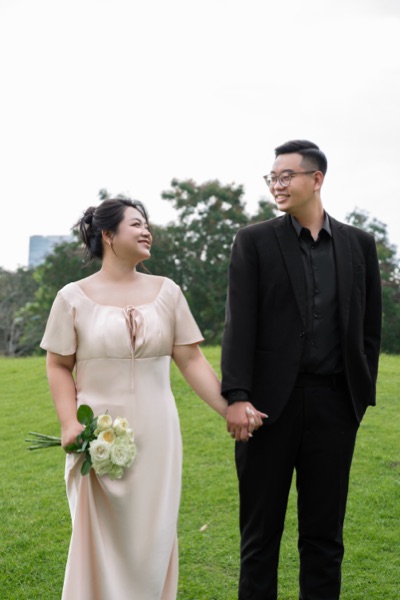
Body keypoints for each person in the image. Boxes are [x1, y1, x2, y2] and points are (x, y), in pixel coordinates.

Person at [40, 197, 264, 600]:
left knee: (152, 538)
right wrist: (69, 422)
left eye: (147, 225)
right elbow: (58, 364)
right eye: (136, 224)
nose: (147, 232)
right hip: (95, 435)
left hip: (158, 434)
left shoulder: (168, 292)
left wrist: (229, 407)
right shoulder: (72, 297)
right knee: (96, 537)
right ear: (108, 235)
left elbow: (190, 359)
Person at [221, 140, 382, 600]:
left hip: (335, 407)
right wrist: (237, 396)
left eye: (286, 176)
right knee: (259, 538)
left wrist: (357, 398)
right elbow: (239, 325)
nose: (277, 184)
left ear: (316, 179)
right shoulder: (253, 241)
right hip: (266, 410)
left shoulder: (358, 244)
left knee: (325, 539)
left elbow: (369, 329)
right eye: (272, 177)